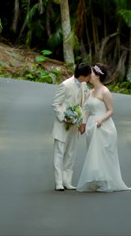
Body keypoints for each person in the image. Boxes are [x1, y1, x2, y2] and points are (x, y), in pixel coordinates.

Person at [75, 62, 131, 192]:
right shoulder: (90, 91)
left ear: (97, 76)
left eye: (92, 73)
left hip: (103, 126)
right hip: (91, 127)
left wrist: (101, 119)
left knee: (102, 154)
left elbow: (111, 110)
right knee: (93, 154)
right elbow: (87, 110)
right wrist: (83, 123)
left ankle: (106, 182)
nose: (90, 75)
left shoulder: (105, 91)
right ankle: (97, 180)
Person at [52, 62, 91, 191]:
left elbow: (84, 106)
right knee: (59, 152)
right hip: (63, 124)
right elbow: (56, 104)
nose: (89, 77)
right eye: (88, 75)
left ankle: (67, 181)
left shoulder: (84, 85)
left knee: (71, 153)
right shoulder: (65, 85)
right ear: (83, 75)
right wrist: (65, 117)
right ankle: (58, 182)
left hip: (75, 125)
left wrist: (81, 123)